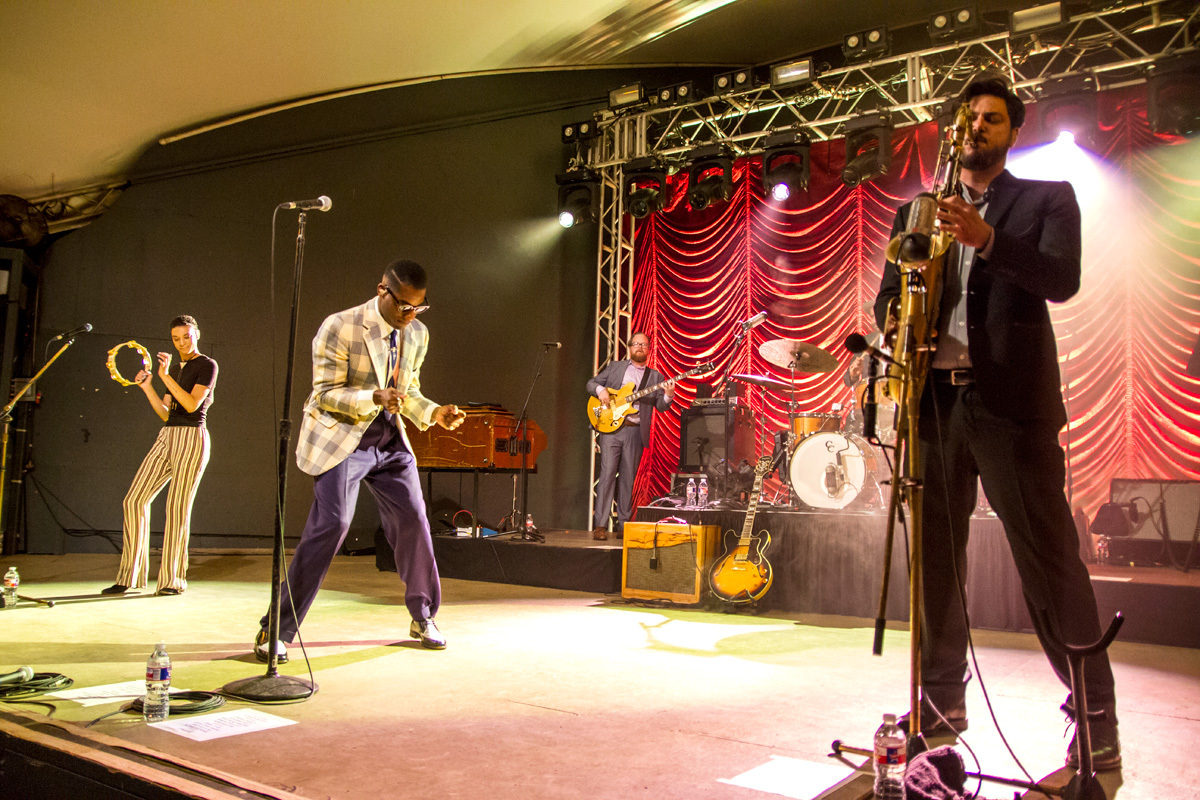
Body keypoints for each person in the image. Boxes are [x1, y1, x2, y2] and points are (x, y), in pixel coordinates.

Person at [874, 75, 1120, 770]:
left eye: (991, 118)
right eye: (967, 117)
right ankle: (941, 709)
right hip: (935, 407)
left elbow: (1061, 279)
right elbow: (887, 296)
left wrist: (988, 240)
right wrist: (893, 318)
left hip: (1010, 408)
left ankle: (1095, 723)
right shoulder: (915, 213)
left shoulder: (1047, 198)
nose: (977, 126)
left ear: (1013, 131)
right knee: (936, 573)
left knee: (1049, 567)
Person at [255, 259, 464, 661]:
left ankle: (423, 615)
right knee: (333, 522)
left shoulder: (416, 334)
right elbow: (324, 394)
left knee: (414, 519)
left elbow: (410, 392)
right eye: (403, 305)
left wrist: (434, 413)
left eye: (418, 307)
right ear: (382, 291)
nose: (409, 314)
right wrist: (372, 397)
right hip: (340, 438)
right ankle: (275, 629)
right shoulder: (341, 325)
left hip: (388, 440)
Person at [103, 315, 216, 596]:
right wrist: (148, 387)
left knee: (176, 509)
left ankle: (172, 581)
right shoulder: (174, 369)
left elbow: (191, 405)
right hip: (168, 435)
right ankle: (129, 576)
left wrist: (166, 376)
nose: (182, 343)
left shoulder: (207, 365)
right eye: (176, 338)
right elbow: (166, 412)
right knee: (134, 499)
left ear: (197, 334)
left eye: (187, 337)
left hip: (192, 438)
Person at [587, 332, 674, 540]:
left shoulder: (655, 377)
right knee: (607, 475)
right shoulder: (616, 367)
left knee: (628, 478)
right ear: (630, 347)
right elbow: (591, 383)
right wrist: (601, 390)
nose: (640, 347)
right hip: (611, 430)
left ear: (649, 349)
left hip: (635, 431)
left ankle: (623, 524)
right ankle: (600, 525)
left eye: (644, 344)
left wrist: (669, 395)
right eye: (636, 344)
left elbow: (660, 407)